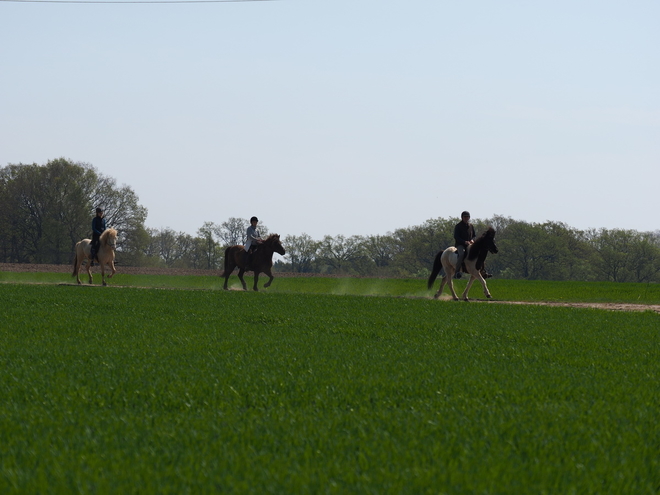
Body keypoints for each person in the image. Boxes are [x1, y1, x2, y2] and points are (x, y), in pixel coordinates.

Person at [453, 211, 475, 279]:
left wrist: (472, 240)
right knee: (462, 254)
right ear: (462, 217)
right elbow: (456, 236)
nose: (466, 218)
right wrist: (464, 242)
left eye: (467, 217)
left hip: (469, 244)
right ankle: (457, 272)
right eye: (465, 217)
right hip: (460, 244)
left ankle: (481, 270)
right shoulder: (458, 226)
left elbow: (474, 235)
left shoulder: (471, 226)